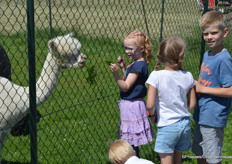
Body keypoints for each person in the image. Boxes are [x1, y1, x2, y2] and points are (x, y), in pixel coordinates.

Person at [146, 36, 196, 164]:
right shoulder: (188, 76)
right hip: (185, 125)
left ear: (161, 56)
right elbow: (192, 104)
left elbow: (150, 104)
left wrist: (152, 115)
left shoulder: (156, 76)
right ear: (182, 56)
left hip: (167, 126)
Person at [192, 10, 232, 164]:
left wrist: (202, 89)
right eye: (205, 33)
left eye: (214, 33)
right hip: (201, 113)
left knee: (212, 158)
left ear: (225, 32)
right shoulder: (207, 54)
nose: (209, 37)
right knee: (199, 151)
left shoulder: (224, 59)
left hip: (213, 117)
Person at [109, 30, 154, 158]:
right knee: (128, 140)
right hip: (132, 105)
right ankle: (132, 159)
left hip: (132, 107)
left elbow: (126, 86)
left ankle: (133, 160)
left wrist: (116, 74)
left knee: (130, 142)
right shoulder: (137, 63)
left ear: (140, 48)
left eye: (130, 48)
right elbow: (131, 81)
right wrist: (124, 68)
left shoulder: (138, 66)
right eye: (125, 48)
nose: (127, 51)